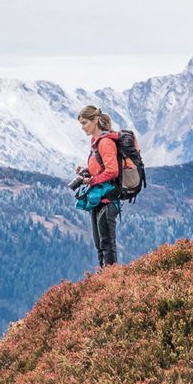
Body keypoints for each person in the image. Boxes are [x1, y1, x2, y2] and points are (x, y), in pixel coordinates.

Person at [75, 105, 121, 267]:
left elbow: (113, 171)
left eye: (85, 123)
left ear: (95, 120)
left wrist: (92, 181)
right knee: (100, 245)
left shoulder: (106, 142)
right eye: (81, 124)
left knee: (107, 245)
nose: (83, 128)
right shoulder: (95, 142)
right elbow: (101, 168)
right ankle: (102, 283)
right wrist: (86, 171)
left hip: (108, 200)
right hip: (98, 199)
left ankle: (111, 282)